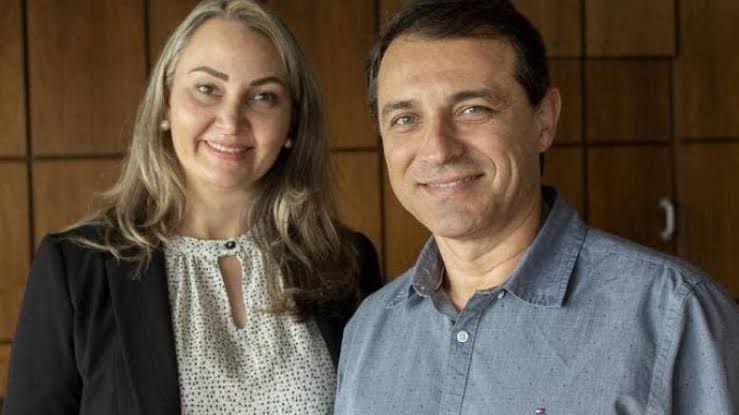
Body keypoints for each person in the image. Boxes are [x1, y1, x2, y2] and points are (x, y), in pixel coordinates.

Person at [334, 0, 739, 414]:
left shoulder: (675, 314)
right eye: (405, 118)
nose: (438, 149)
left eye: (473, 109)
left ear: (544, 120)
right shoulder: (369, 330)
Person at [4, 1, 381, 414]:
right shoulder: (76, 268)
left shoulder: (347, 262)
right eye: (207, 89)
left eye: (263, 96)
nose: (230, 121)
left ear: (293, 122)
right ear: (165, 105)